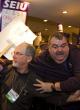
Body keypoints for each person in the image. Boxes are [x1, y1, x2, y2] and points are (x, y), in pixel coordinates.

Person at [30, 32, 80, 110]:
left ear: (68, 46)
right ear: (48, 48)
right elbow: (27, 63)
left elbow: (79, 80)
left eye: (63, 46)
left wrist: (53, 86)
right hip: (57, 103)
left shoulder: (75, 53)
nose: (60, 50)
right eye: (55, 46)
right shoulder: (42, 58)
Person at [0, 42, 36, 110]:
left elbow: (16, 101)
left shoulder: (34, 80)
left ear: (29, 59)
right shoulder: (7, 69)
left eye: (18, 53)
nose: (13, 56)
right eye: (14, 53)